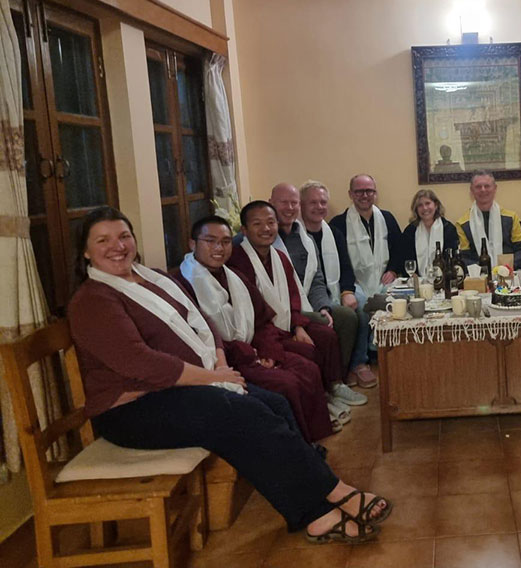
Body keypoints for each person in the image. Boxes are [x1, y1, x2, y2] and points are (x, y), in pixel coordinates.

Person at [68, 207, 392, 544]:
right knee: (245, 413)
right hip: (133, 409)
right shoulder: (94, 299)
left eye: (123, 236)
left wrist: (219, 361)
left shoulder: (148, 278)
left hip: (182, 386)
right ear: (86, 252)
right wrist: (211, 378)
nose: (117, 246)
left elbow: (200, 320)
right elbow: (141, 363)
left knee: (275, 404)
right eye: (103, 240)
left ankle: (315, 497)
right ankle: (324, 504)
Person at [172, 215, 335, 441]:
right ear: (192, 244)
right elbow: (196, 338)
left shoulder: (234, 277)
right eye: (210, 241)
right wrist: (251, 355)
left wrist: (269, 351)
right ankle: (295, 445)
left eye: (226, 241)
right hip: (227, 360)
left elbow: (262, 320)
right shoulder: (181, 283)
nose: (219, 248)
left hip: (253, 347)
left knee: (307, 368)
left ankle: (312, 437)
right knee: (285, 383)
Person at [227, 201, 364, 427]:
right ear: (244, 230)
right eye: (257, 224)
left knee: (326, 336)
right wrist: (286, 333)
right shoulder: (237, 261)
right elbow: (253, 312)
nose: (266, 229)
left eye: (271, 223)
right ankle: (320, 401)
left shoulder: (279, 257)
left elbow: (293, 296)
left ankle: (332, 388)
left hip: (287, 322)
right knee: (308, 351)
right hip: (260, 332)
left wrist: (298, 326)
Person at [270, 182, 363, 399]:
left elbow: (317, 279)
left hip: (311, 301)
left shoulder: (304, 237)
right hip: (283, 307)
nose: (289, 208)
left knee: (347, 317)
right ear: (271, 204)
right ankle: (328, 384)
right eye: (284, 203)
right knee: (324, 326)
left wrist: (324, 305)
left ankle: (337, 381)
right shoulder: (266, 238)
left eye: (293, 203)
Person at [300, 180, 376, 388]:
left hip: (334, 290)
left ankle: (358, 364)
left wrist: (346, 291)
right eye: (313, 203)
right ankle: (345, 371)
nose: (319, 207)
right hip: (307, 296)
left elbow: (345, 268)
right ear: (301, 205)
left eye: (323, 202)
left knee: (360, 305)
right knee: (353, 315)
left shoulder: (333, 232)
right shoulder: (295, 235)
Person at [329, 174, 404, 298]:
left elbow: (399, 249)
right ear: (350, 194)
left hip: (384, 281)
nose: (364, 195)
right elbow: (337, 261)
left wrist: (393, 270)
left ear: (375, 194)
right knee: (361, 304)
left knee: (396, 301)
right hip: (354, 284)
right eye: (359, 191)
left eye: (369, 191)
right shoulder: (338, 224)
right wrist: (348, 286)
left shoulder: (387, 218)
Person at [456, 170, 521, 269]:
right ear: (472, 190)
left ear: (495, 188)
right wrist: (484, 270)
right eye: (478, 187)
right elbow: (464, 257)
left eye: (487, 186)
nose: (483, 190)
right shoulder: (463, 223)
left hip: (510, 274)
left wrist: (507, 268)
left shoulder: (512, 218)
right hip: (478, 277)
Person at [400, 189, 460, 278]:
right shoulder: (410, 231)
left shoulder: (448, 229)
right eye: (420, 205)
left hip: (444, 281)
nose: (424, 208)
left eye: (428, 203)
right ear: (416, 209)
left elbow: (453, 259)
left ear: (436, 205)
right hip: (417, 282)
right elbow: (405, 260)